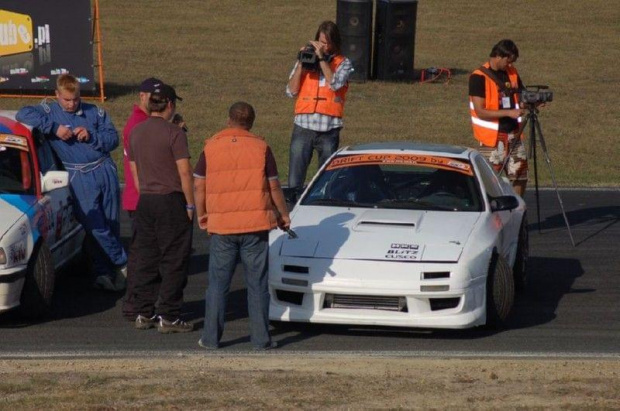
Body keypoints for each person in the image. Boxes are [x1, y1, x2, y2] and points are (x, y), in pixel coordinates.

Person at [16, 74, 127, 291]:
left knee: (111, 223)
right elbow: (23, 113)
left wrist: (92, 135)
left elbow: (113, 139)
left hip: (104, 169)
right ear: (57, 95)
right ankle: (123, 263)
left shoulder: (94, 112)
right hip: (78, 175)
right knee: (94, 225)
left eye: (75, 99)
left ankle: (104, 273)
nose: (71, 103)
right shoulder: (48, 111)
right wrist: (53, 128)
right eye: (66, 99)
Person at [194, 102, 291, 350]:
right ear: (251, 123)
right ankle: (261, 340)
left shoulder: (211, 146)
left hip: (223, 226)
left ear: (229, 120)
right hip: (255, 226)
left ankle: (211, 338)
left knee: (217, 285)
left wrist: (203, 215)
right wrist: (283, 215)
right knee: (257, 285)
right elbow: (274, 186)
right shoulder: (261, 147)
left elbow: (199, 185)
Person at [128, 84, 194, 333]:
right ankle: (169, 314)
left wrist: (146, 192)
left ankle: (144, 312)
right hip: (170, 199)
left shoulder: (136, 132)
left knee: (147, 257)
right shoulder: (174, 133)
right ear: (169, 105)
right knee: (174, 258)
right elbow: (184, 171)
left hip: (146, 199)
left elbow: (134, 172)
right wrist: (190, 203)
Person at [286, 20, 352, 202]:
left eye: (327, 43)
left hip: (329, 129)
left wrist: (322, 59)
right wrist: (301, 63)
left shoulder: (343, 63)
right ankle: (293, 210)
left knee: (326, 180)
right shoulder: (306, 58)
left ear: (334, 43)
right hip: (303, 126)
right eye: (320, 42)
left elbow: (335, 84)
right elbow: (290, 91)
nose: (323, 46)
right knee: (294, 180)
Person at [120, 77, 162, 320]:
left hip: (140, 197)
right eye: (152, 96)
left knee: (141, 256)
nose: (155, 101)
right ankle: (136, 305)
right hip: (142, 198)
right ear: (142, 96)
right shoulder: (138, 123)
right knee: (144, 257)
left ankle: (135, 305)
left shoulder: (142, 122)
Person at [469, 39, 528, 197]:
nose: (510, 65)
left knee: (520, 175)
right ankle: (494, 213)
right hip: (492, 137)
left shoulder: (512, 73)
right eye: (508, 61)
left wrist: (528, 103)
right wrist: (508, 113)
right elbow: (480, 111)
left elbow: (522, 95)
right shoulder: (478, 77)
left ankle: (517, 210)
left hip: (514, 133)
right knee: (490, 179)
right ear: (499, 56)